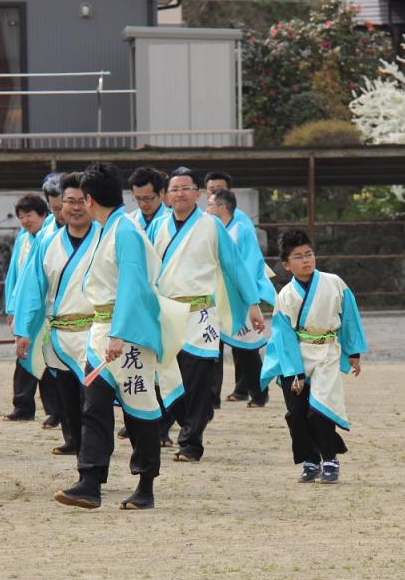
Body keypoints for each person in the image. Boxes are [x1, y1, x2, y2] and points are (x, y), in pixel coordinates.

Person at [52, 162, 187, 510]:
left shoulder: (124, 231)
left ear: (90, 199)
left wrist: (120, 332)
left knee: (139, 411)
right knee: (94, 407)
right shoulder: (108, 229)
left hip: (127, 335)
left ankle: (145, 484)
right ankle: (90, 480)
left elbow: (132, 284)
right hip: (102, 332)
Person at [150, 167, 264, 463]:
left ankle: (191, 442)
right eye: (174, 189)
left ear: (198, 194)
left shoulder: (211, 225)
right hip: (167, 313)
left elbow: (234, 265)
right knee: (167, 376)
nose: (180, 194)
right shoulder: (157, 227)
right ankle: (177, 424)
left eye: (186, 188)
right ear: (167, 195)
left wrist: (252, 303)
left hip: (200, 314)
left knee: (199, 380)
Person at [260, 229, 366, 483]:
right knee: (296, 413)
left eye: (309, 254)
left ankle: (330, 458)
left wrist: (353, 351)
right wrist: (295, 372)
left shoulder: (335, 283)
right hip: (294, 355)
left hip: (326, 352)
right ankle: (309, 460)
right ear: (287, 265)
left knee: (319, 410)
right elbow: (283, 336)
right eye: (298, 256)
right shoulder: (285, 295)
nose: (306, 260)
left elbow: (349, 317)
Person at [13, 173, 101, 456]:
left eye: (81, 201)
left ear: (91, 203)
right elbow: (32, 288)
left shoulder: (106, 238)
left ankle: (93, 448)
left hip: (95, 331)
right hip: (60, 332)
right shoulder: (47, 242)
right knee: (66, 394)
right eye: (69, 202)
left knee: (93, 397)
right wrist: (24, 329)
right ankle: (73, 439)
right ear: (60, 205)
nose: (75, 207)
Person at [206, 188, 277, 408]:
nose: (206, 209)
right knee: (212, 348)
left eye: (210, 204)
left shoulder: (242, 230)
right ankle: (211, 398)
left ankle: (259, 393)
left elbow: (251, 264)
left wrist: (248, 296)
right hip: (215, 297)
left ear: (222, 207)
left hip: (238, 296)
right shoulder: (209, 229)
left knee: (246, 348)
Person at [2, 193, 51, 423]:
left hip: (45, 308)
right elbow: (14, 276)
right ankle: (23, 406)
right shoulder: (23, 239)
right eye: (21, 216)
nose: (25, 221)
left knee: (48, 358)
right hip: (25, 308)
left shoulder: (51, 237)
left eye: (29, 215)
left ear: (43, 214)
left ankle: (55, 410)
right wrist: (12, 308)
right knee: (23, 355)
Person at [128, 166, 170, 232]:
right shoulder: (129, 220)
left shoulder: (174, 219)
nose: (143, 204)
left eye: (148, 198)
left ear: (161, 192)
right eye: (138, 198)